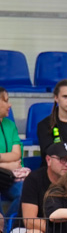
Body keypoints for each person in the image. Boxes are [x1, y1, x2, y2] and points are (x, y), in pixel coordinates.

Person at [8, 142, 67, 233]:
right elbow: (29, 221)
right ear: (48, 160)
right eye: (62, 159)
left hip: (61, 231)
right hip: (23, 231)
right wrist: (60, 230)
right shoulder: (34, 179)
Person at [0, 87, 29, 225]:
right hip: (7, 170)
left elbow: (17, 154)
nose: (9, 104)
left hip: (10, 177)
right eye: (5, 100)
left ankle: (5, 228)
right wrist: (8, 164)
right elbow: (13, 158)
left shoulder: (10, 125)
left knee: (26, 193)